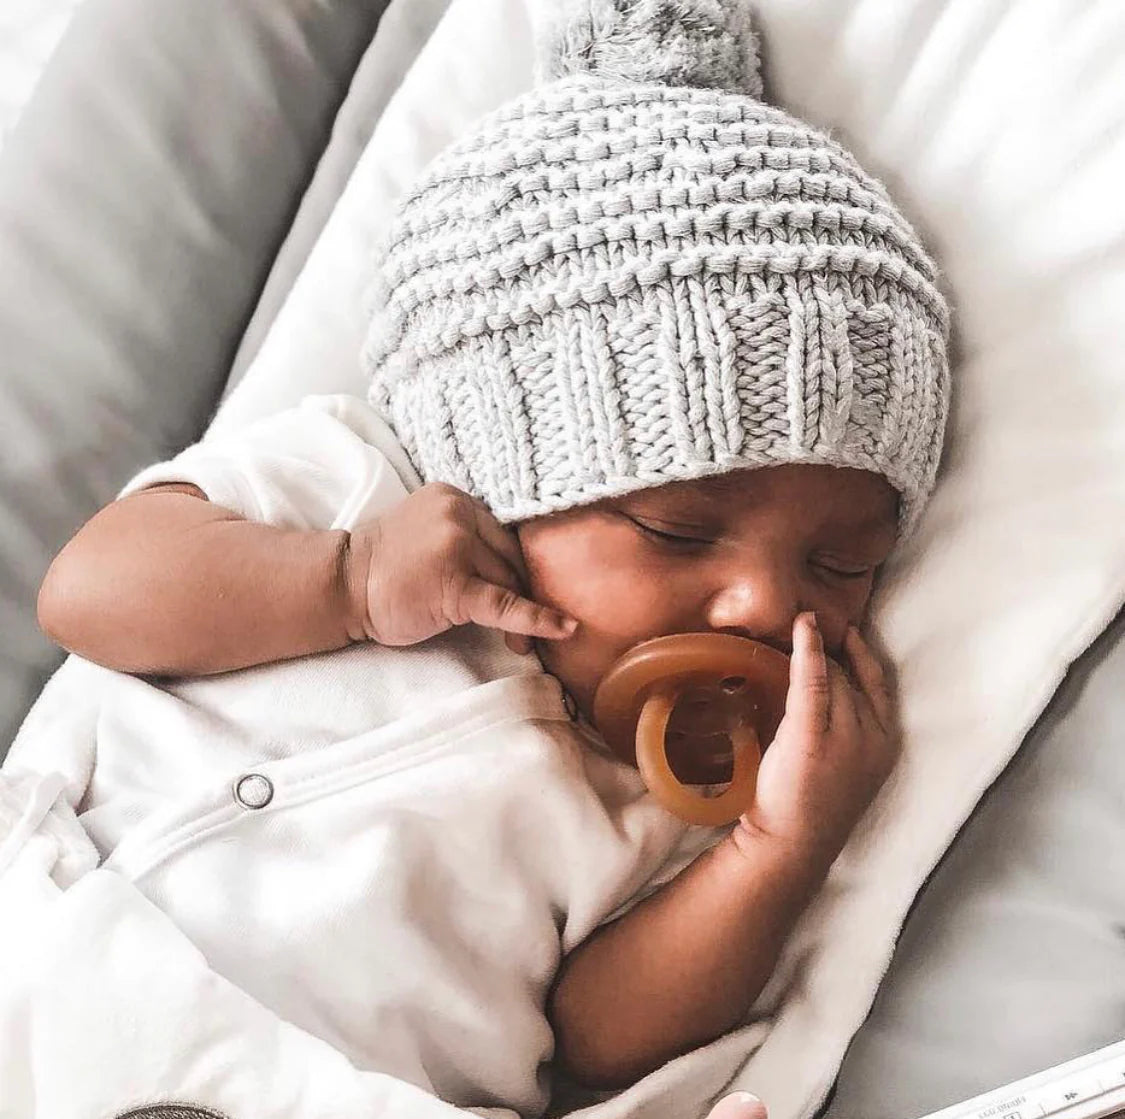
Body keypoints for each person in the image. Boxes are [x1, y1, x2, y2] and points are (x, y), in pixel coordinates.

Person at [19, 0, 949, 1112]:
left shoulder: (683, 789)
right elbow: (89, 595)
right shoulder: (351, 489)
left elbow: (592, 1042)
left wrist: (777, 848)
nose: (762, 602)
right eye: (677, 529)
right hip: (51, 965)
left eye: (840, 567)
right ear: (510, 471)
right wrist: (345, 584)